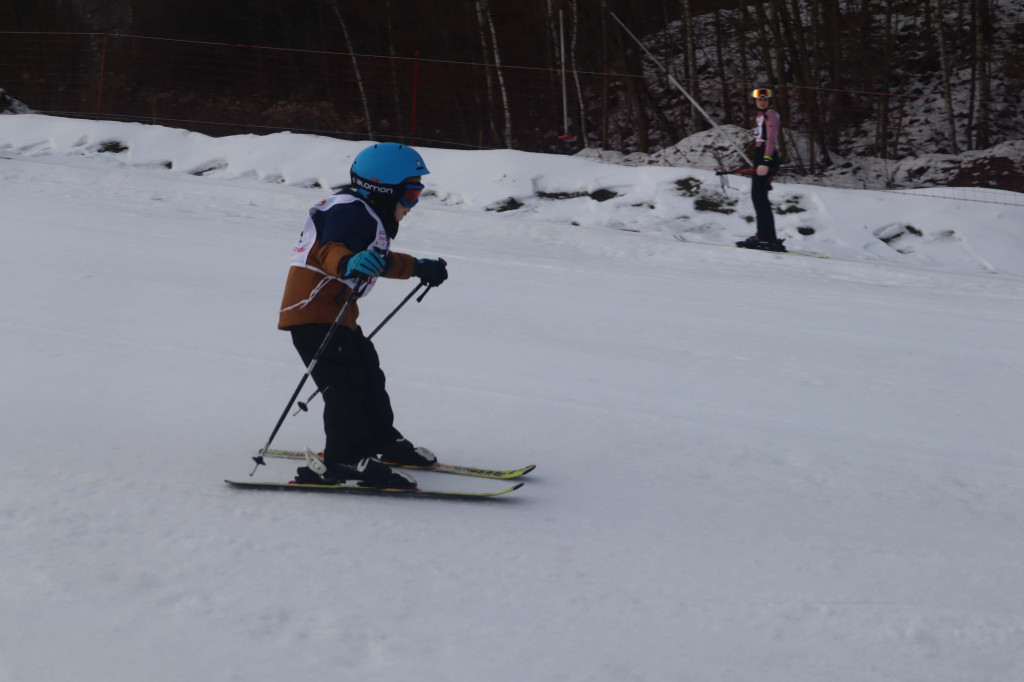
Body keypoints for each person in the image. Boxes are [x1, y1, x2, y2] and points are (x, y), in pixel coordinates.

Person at [278, 142, 448, 489]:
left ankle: (379, 440)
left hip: (335, 315)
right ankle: (343, 459)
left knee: (368, 372)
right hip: (312, 314)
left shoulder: (366, 213)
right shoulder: (349, 210)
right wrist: (347, 263)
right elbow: (332, 249)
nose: (413, 203)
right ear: (384, 189)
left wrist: (418, 267)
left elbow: (379, 260)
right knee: (345, 385)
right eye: (412, 192)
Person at [736, 87, 785, 252]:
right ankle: (765, 235)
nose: (762, 102)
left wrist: (765, 161)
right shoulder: (760, 116)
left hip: (766, 158)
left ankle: (765, 237)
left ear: (769, 101)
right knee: (758, 197)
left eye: (765, 99)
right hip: (760, 156)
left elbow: (771, 140)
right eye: (759, 99)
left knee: (759, 197)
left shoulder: (771, 115)